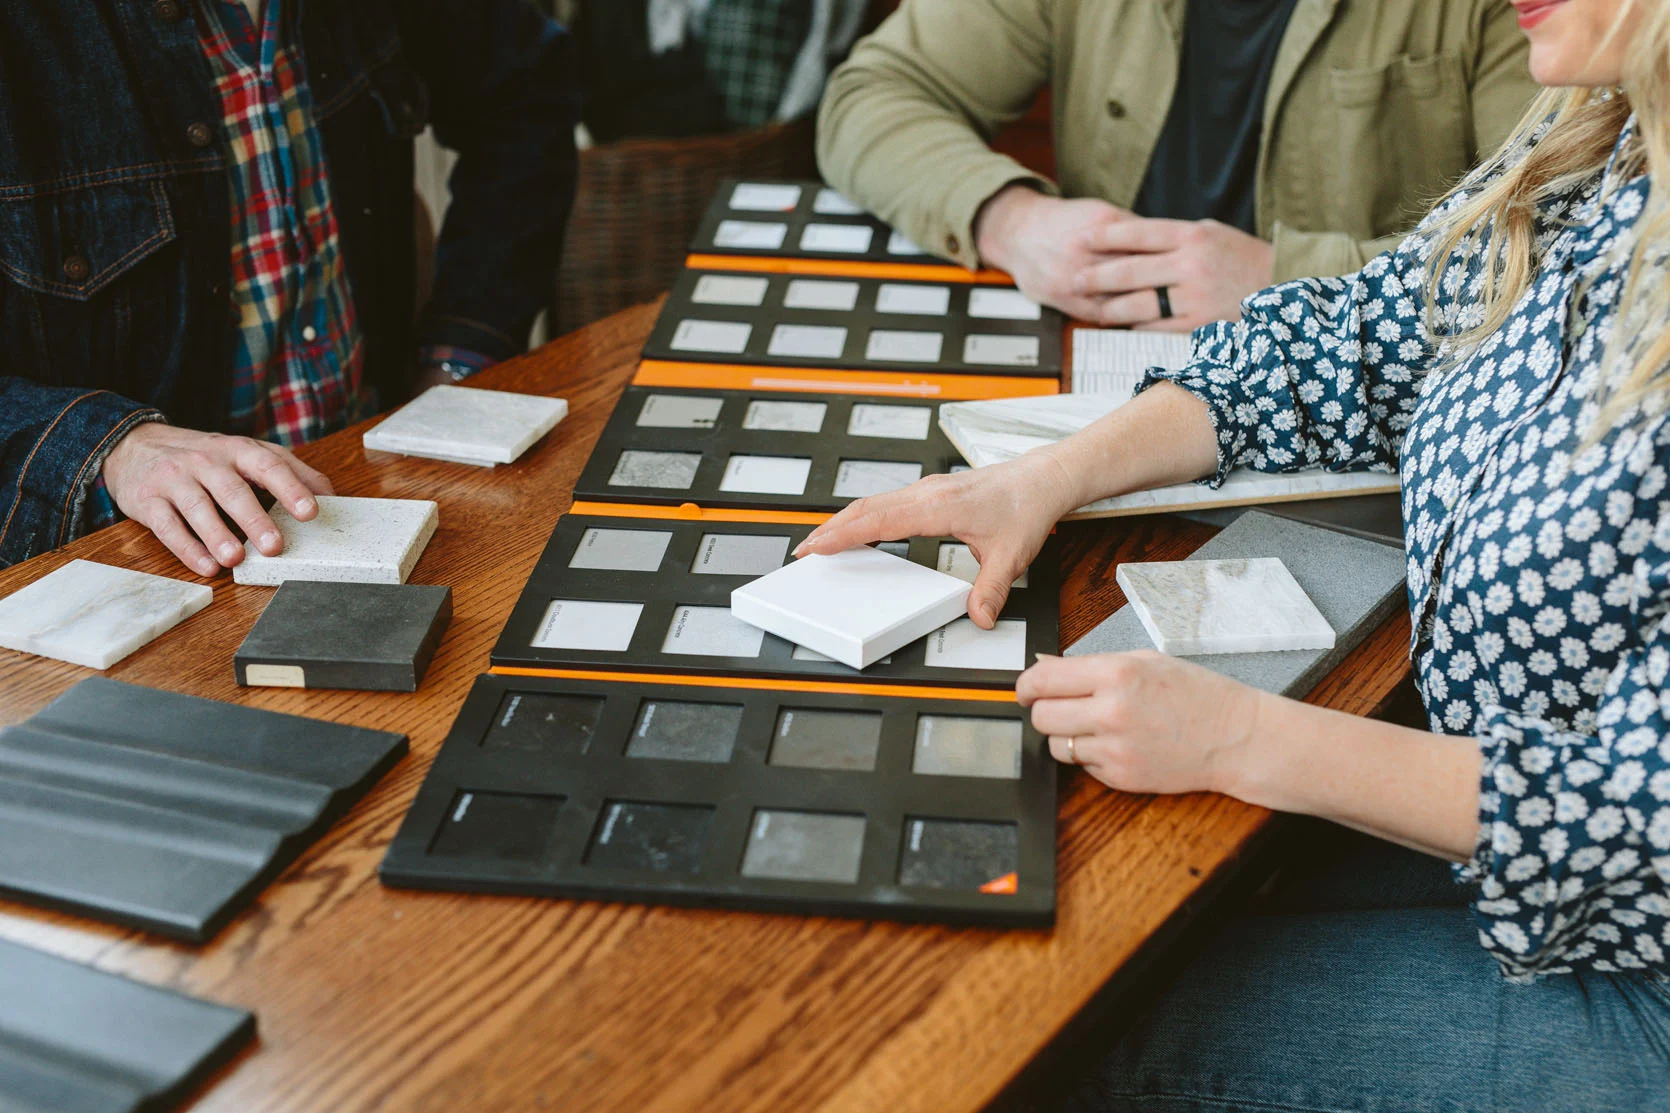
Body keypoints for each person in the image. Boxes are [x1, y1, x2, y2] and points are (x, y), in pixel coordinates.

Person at [798, 0, 1670, 1104]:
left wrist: (1238, 736)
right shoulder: (1601, 140)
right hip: (1517, 847)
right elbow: (1355, 336)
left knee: (1087, 1029)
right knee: (1100, 923)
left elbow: (1644, 819)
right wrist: (1043, 476)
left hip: (1643, 979)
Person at [0, 1, 578, 572]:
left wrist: (460, 351)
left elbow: (524, 89)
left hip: (384, 483)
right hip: (124, 564)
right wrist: (112, 447)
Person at [816, 0, 1541, 332]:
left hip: (1367, 431)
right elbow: (871, 95)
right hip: (1097, 380)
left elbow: (1552, 246)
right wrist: (1007, 219)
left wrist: (1282, 281)